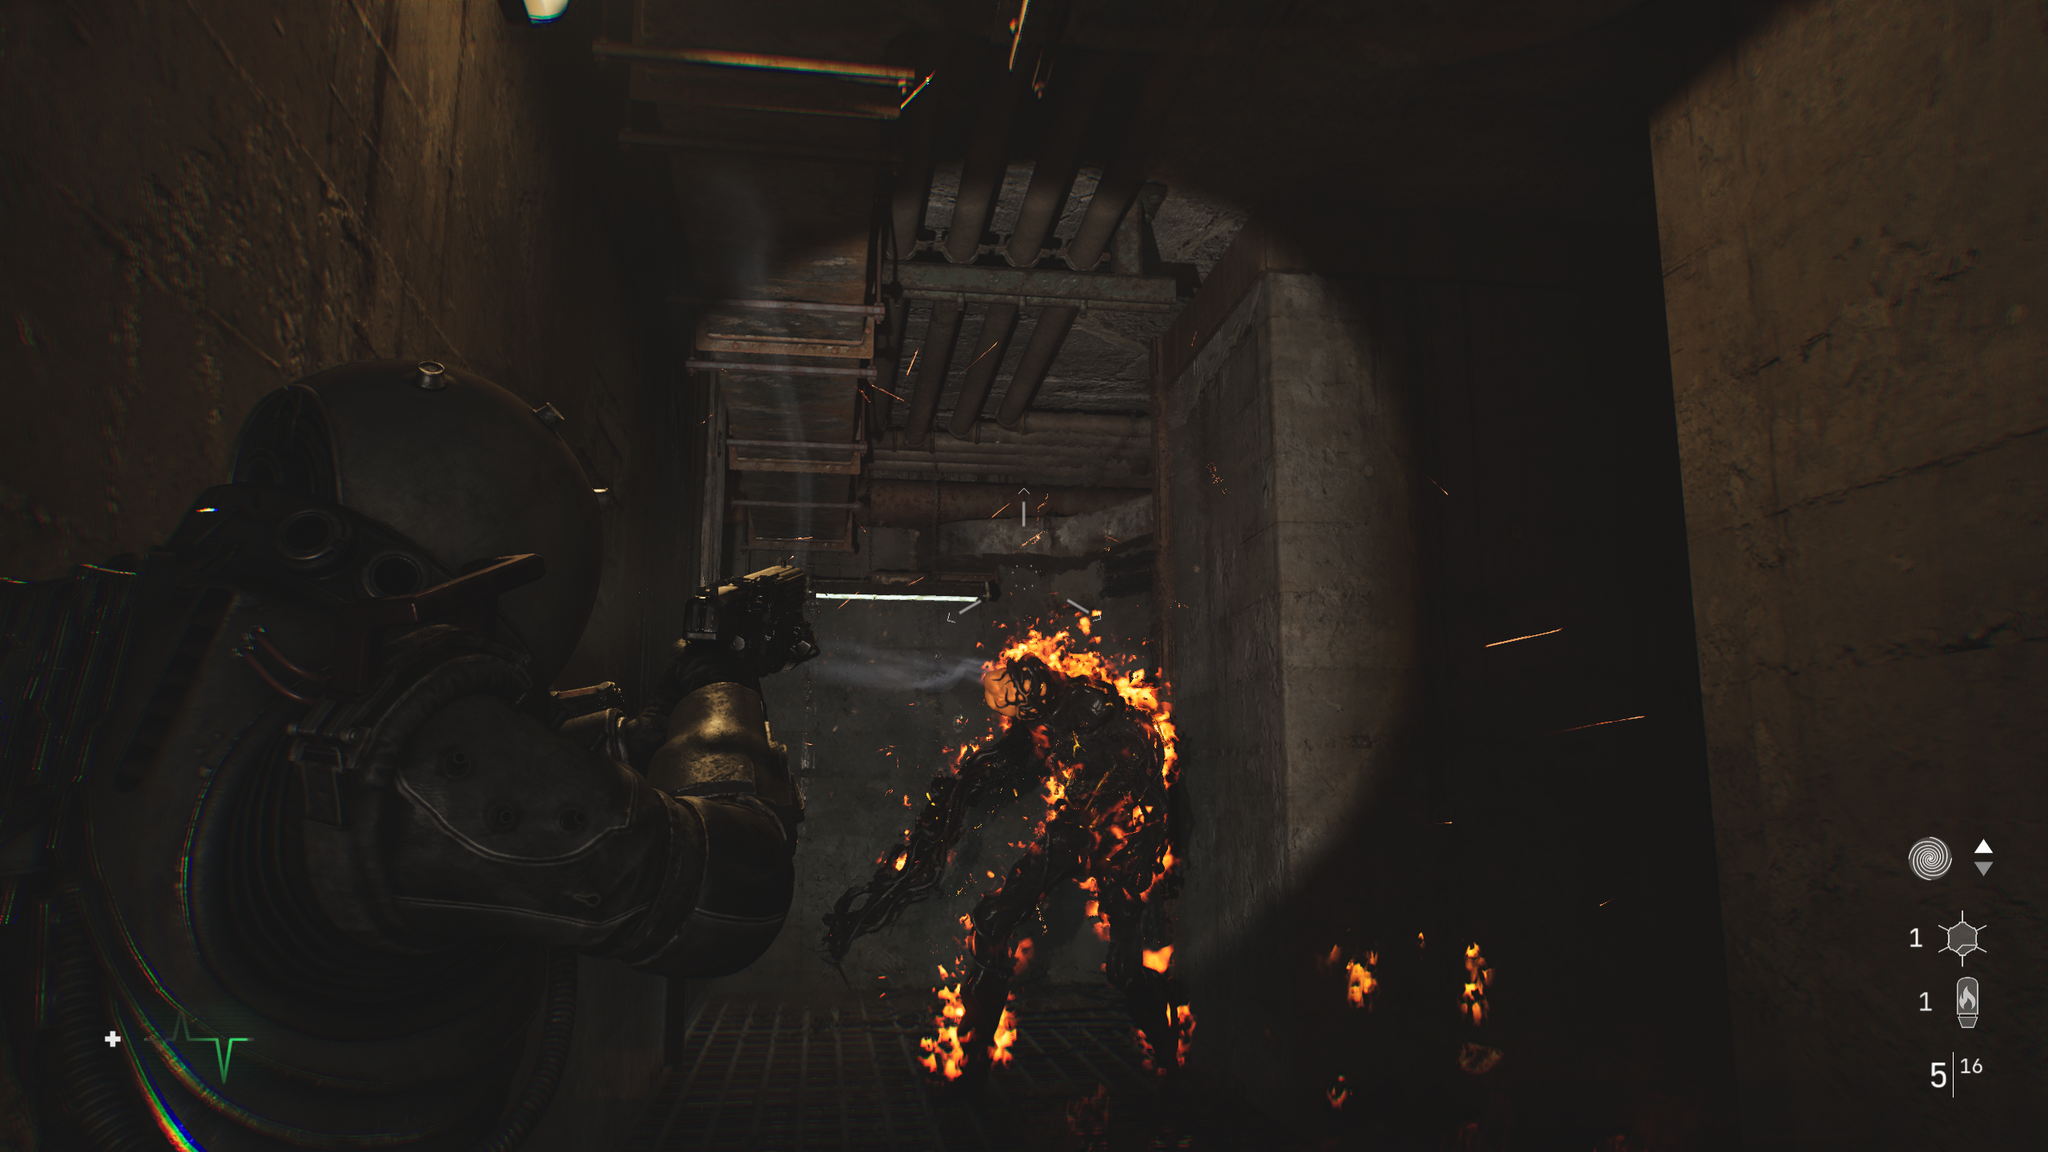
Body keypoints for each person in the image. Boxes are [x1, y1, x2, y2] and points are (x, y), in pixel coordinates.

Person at [0, 360, 809, 1151]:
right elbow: (730, 892)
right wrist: (723, 687)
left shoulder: (106, 628)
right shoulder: (404, 737)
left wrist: (650, 726)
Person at [823, 652, 1183, 1089]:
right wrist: (958, 794)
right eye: (1011, 695)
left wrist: (1138, 841)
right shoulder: (1049, 720)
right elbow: (1018, 763)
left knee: (1122, 969)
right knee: (992, 921)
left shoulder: (1093, 708)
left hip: (1121, 837)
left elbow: (1135, 778)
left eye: (1017, 689)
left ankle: (1170, 1061)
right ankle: (972, 1062)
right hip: (1081, 829)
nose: (1013, 695)